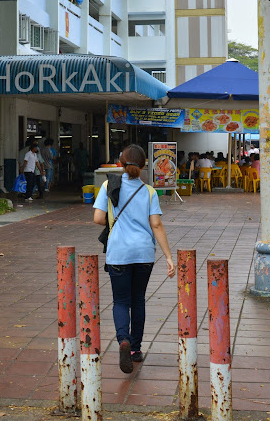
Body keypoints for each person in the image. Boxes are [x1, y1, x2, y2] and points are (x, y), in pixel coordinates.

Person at [93, 144, 175, 374]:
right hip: (144, 254)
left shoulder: (109, 186)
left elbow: (98, 219)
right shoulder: (149, 191)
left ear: (120, 163)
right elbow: (156, 224)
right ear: (144, 165)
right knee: (138, 300)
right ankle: (135, 349)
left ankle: (123, 341)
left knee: (120, 301)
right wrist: (169, 256)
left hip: (118, 253)